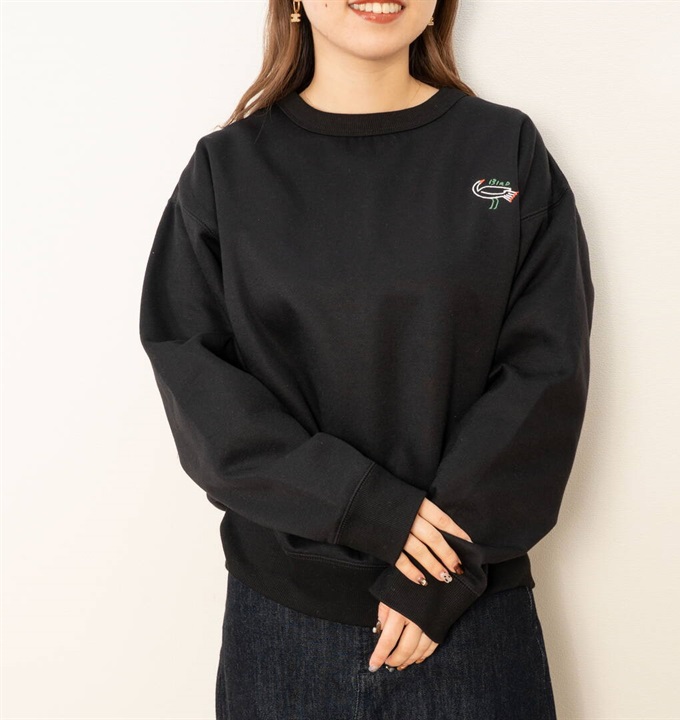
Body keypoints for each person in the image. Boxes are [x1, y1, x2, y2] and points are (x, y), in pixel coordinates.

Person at [138, 0, 594, 717]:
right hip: (284, 623)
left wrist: (438, 575)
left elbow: (547, 371)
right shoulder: (227, 169)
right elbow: (198, 385)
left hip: (472, 613)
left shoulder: (503, 150)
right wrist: (365, 508)